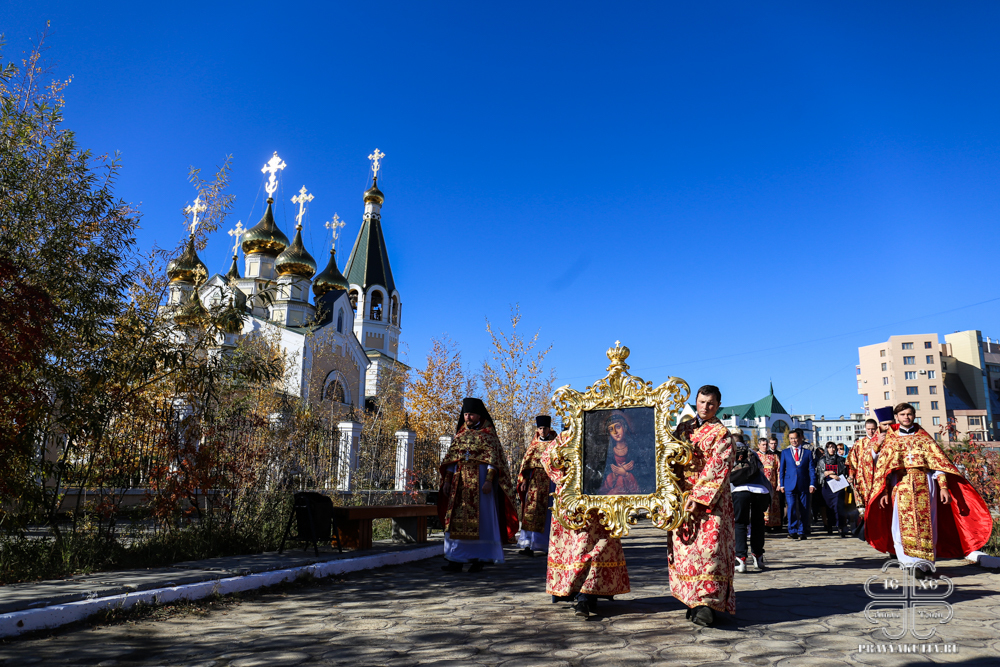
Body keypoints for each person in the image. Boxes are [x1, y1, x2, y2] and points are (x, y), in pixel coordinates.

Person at [866, 403, 995, 577]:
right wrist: (884, 492)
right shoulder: (891, 439)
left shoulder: (925, 438)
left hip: (925, 484)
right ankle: (908, 562)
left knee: (928, 523)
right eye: (903, 414)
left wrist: (943, 488)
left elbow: (939, 464)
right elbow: (884, 469)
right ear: (897, 417)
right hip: (901, 485)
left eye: (909, 414)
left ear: (914, 415)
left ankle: (925, 564)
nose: (906, 417)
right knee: (901, 524)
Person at [541, 431, 630, 618]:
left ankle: (586, 595)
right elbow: (547, 457)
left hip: (601, 499)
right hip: (572, 502)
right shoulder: (567, 435)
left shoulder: (607, 434)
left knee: (595, 547)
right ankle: (576, 591)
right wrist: (567, 480)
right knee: (577, 547)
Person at [668, 385, 735, 627]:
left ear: (717, 406)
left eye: (710, 403)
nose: (705, 407)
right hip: (682, 500)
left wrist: (698, 497)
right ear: (696, 400)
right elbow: (671, 457)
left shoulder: (722, 434)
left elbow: (718, 467)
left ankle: (708, 604)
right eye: (701, 401)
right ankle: (692, 601)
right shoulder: (684, 429)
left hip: (711, 505)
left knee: (710, 552)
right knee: (686, 552)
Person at [438, 398, 518, 573]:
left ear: (479, 415)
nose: (468, 417)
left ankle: (479, 558)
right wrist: (446, 481)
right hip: (459, 486)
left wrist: (489, 480)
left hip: (481, 485)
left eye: (471, 414)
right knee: (455, 522)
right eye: (466, 414)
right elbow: (452, 460)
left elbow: (494, 461)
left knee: (482, 521)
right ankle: (455, 559)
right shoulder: (460, 435)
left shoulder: (488, 434)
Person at [731, 432, 772, 573]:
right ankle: (758, 556)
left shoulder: (729, 451)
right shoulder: (752, 453)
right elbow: (760, 470)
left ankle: (741, 559)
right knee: (758, 523)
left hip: (739, 490)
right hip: (760, 490)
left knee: (740, 523)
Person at [516, 416, 557, 557]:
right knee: (531, 512)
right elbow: (526, 465)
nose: (542, 431)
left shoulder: (556, 443)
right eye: (540, 428)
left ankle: (546, 545)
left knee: (548, 512)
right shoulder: (533, 445)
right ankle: (528, 544)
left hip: (550, 481)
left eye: (545, 428)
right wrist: (525, 481)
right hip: (534, 482)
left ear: (549, 428)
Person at [846, 417, 884, 534]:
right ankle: (865, 529)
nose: (871, 432)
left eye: (873, 429)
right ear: (865, 429)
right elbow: (852, 462)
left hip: (878, 477)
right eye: (869, 429)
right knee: (863, 505)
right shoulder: (859, 444)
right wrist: (851, 475)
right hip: (862, 479)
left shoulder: (883, 441)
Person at [777, 428, 816, 540]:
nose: (793, 441)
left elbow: (812, 469)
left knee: (804, 508)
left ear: (800, 438)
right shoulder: (785, 452)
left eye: (795, 438)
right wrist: (782, 484)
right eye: (791, 438)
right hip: (789, 484)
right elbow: (782, 469)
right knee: (792, 507)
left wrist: (812, 484)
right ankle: (792, 530)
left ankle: (802, 531)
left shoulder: (807, 453)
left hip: (804, 483)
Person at [599, 411, 642, 495]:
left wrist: (625, 474)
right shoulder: (608, 454)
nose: (615, 432)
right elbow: (600, 484)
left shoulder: (635, 451)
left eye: (618, 427)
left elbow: (644, 477)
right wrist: (614, 474)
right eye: (611, 429)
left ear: (624, 427)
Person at [815, 441, 850, 537]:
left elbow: (844, 473)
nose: (832, 449)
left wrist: (836, 475)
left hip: (838, 485)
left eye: (833, 447)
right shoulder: (822, 460)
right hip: (826, 486)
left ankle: (840, 527)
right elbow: (820, 473)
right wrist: (829, 473)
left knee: (839, 506)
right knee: (828, 507)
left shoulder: (840, 460)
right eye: (829, 447)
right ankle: (829, 526)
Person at [756, 435, 781, 531]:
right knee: (762, 504)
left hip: (772, 485)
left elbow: (778, 470)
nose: (765, 447)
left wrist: (779, 483)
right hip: (760, 484)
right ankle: (764, 524)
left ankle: (775, 523)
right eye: (763, 445)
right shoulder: (756, 456)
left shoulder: (774, 456)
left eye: (766, 444)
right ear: (759, 445)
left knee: (773, 504)